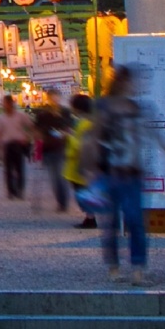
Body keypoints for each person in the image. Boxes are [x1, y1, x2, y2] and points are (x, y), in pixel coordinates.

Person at [83, 66, 165, 285]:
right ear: (121, 82)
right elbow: (93, 137)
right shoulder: (105, 107)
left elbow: (155, 135)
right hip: (110, 172)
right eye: (131, 81)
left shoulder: (139, 108)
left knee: (136, 221)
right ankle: (114, 267)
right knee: (112, 223)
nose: (135, 86)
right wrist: (90, 169)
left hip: (133, 173)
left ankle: (137, 269)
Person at [33, 95, 74, 213]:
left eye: (55, 98)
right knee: (54, 177)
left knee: (59, 176)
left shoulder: (65, 112)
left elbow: (69, 128)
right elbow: (37, 130)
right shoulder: (42, 114)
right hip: (48, 147)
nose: (54, 101)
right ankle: (61, 201)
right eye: (52, 98)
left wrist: (64, 133)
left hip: (61, 147)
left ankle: (63, 202)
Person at [63, 93, 96, 229]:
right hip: (81, 162)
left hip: (81, 163)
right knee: (82, 190)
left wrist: (70, 136)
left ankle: (91, 218)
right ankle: (89, 217)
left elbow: (82, 144)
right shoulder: (85, 121)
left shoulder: (85, 123)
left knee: (82, 191)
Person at [0, 95, 33, 200]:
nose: (5, 105)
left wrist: (27, 138)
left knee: (20, 169)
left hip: (18, 144)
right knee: (8, 170)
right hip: (7, 145)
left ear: (11, 103)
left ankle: (20, 190)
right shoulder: (1, 117)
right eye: (4, 103)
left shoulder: (21, 116)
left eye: (6, 103)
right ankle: (11, 191)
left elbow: (30, 127)